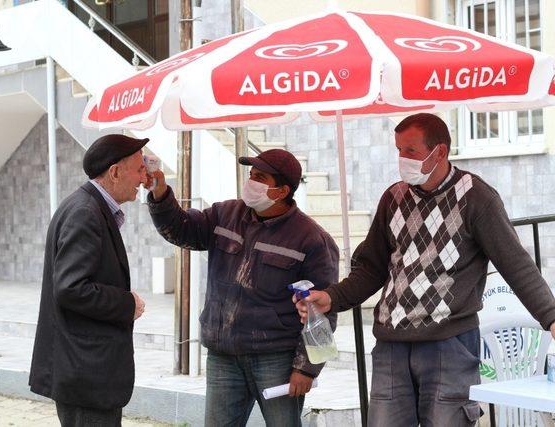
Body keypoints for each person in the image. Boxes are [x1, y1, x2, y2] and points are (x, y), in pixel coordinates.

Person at [295, 113, 555, 427]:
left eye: (411, 151)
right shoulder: (393, 198)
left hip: (450, 345)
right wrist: (331, 298)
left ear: (440, 152)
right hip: (391, 346)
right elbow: (370, 269)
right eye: (398, 150)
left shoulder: (477, 198)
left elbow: (517, 266)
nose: (402, 159)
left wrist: (551, 317)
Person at [147, 149, 339, 426]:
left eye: (260, 178)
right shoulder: (224, 214)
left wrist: (306, 369)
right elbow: (181, 229)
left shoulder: (311, 240)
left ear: (282, 190)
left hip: (277, 360)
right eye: (251, 175)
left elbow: (322, 312)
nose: (251, 182)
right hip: (223, 357)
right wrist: (160, 194)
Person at [29, 134, 150, 427]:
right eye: (139, 169)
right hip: (85, 372)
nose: (145, 177)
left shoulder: (89, 207)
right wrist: (126, 304)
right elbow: (71, 288)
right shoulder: (85, 212)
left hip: (88, 369)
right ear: (115, 172)